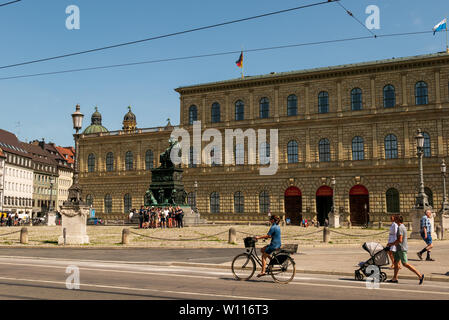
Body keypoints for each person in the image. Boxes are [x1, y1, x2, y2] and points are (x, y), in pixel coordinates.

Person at [387, 215, 424, 285]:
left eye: (396, 218)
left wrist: (391, 244)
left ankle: (420, 275)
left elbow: (400, 240)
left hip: (401, 248)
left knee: (405, 264)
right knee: (395, 262)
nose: (394, 219)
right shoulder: (401, 226)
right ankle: (394, 278)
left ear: (398, 220)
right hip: (398, 248)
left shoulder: (400, 228)